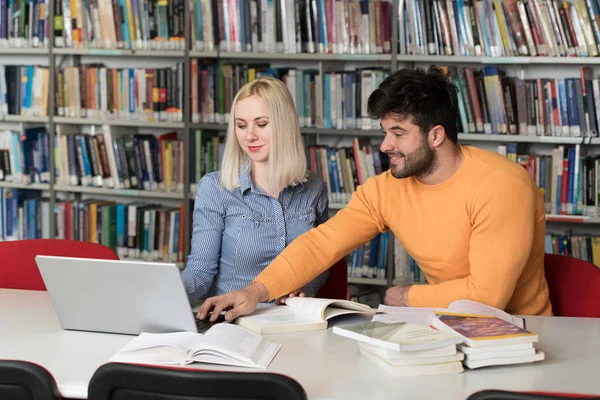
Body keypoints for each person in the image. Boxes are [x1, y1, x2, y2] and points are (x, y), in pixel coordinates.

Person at [199, 65, 554, 322]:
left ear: (436, 135)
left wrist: (405, 296)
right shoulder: (387, 188)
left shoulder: (501, 184)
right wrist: (256, 291)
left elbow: (486, 297)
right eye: (385, 131)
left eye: (398, 133)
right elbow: (321, 244)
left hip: (520, 332)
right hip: (447, 325)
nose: (386, 145)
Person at [182, 76, 329, 302]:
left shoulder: (314, 188)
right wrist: (164, 291)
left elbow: (320, 262)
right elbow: (200, 273)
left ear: (284, 125)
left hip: (293, 321)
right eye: (241, 125)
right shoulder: (215, 188)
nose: (249, 135)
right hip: (232, 323)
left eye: (261, 124)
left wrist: (307, 289)